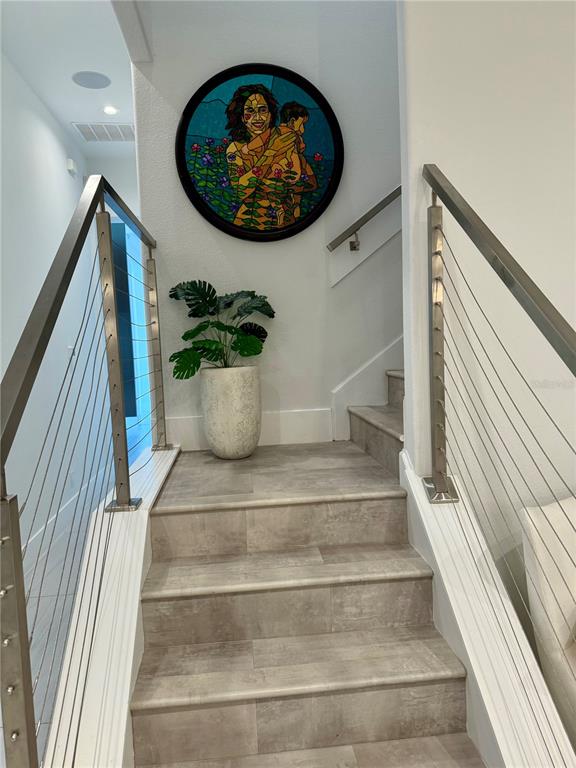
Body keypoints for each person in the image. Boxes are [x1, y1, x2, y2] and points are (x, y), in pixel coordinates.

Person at [224, 86, 315, 229]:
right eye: (250, 111)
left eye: (262, 110)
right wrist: (271, 153)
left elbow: (311, 182)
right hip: (251, 223)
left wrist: (290, 181)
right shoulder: (235, 149)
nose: (257, 117)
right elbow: (240, 191)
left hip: (288, 224)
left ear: (270, 114)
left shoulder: (283, 139)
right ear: (241, 117)